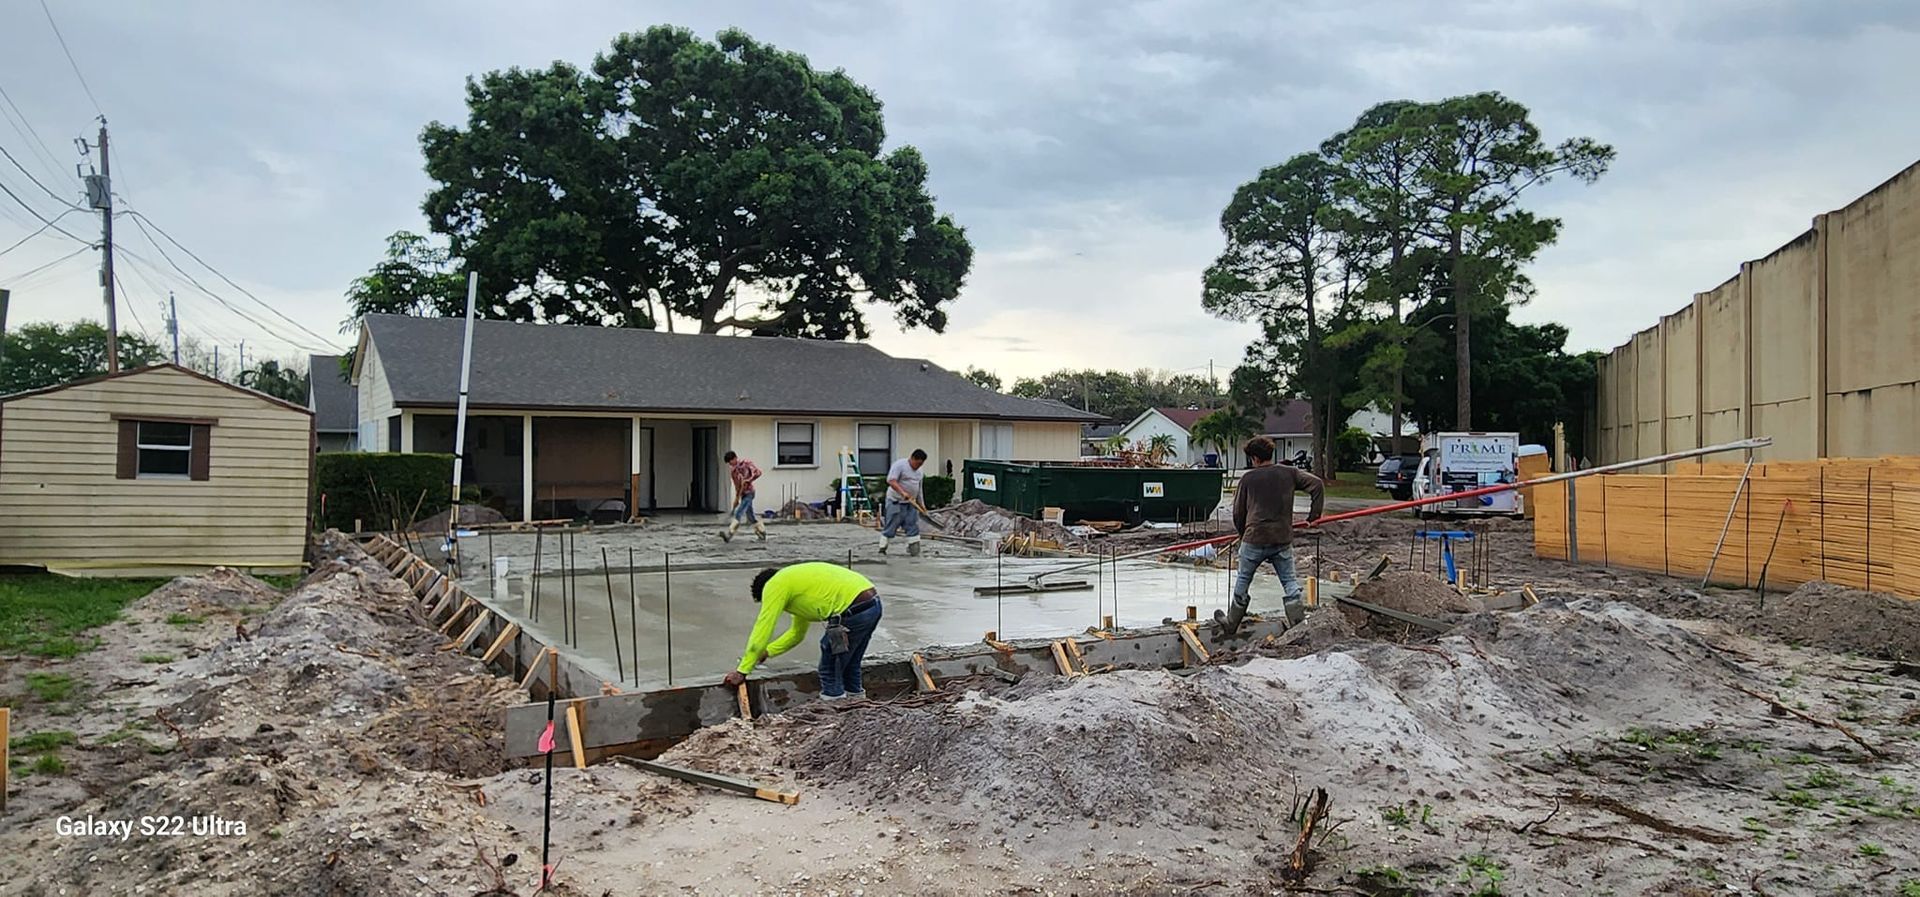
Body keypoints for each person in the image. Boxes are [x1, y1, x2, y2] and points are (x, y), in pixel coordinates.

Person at [722, 562, 883, 700]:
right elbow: (796, 634)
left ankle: (836, 712)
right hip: (872, 604)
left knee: (830, 667)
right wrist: (767, 651)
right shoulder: (796, 586)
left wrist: (743, 670)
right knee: (849, 664)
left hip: (852, 609)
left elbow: (763, 627)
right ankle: (857, 709)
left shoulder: (775, 585)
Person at [1217, 435, 1323, 635]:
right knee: (1289, 581)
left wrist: (1242, 535)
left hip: (1254, 537)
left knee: (1244, 578)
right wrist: (1313, 516)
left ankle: (1231, 623)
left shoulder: (1248, 478)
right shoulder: (1289, 473)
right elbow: (1317, 485)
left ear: (1255, 458)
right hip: (1281, 537)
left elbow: (1238, 513)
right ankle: (1299, 625)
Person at [879, 448, 928, 556]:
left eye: (921, 464)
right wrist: (902, 492)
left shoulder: (919, 471)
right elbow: (891, 480)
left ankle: (914, 551)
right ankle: (882, 549)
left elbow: (919, 489)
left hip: (910, 504)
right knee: (891, 525)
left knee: (912, 526)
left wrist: (922, 505)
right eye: (918, 463)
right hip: (895, 501)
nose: (919, 466)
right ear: (912, 458)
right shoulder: (900, 465)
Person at [720, 450, 766, 543]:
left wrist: (748, 480)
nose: (730, 464)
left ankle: (730, 534)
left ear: (735, 458)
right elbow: (737, 485)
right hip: (743, 494)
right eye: (729, 463)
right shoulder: (733, 471)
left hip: (750, 492)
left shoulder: (746, 464)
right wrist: (737, 497)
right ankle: (762, 532)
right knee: (750, 516)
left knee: (739, 512)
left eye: (731, 461)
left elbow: (758, 472)